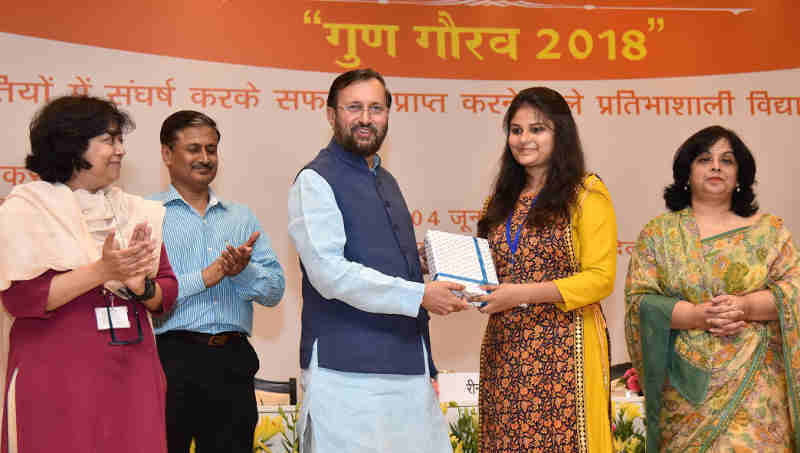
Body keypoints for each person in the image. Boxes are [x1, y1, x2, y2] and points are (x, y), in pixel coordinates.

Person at [288, 68, 470, 453]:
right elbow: (329, 274)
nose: (366, 118)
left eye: (376, 108)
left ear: (388, 114)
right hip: (346, 373)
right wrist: (419, 295)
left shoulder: (386, 180)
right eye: (354, 107)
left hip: (408, 367)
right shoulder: (315, 180)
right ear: (331, 114)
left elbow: (371, 258)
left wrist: (414, 262)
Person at [0, 95, 178, 452]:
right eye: (109, 140)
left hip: (133, 374)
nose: (120, 150)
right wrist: (102, 271)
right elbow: (20, 299)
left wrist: (138, 285)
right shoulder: (26, 210)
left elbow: (165, 293)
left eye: (120, 140)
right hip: (57, 378)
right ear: (73, 145)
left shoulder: (134, 211)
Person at [624, 125, 800, 452]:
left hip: (756, 384)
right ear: (687, 172)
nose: (716, 167)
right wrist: (695, 315)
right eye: (705, 159)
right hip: (685, 388)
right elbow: (640, 304)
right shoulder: (659, 234)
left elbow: (795, 292)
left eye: (727, 160)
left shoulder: (770, 231)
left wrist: (745, 307)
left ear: (740, 176)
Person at [473, 87, 617, 452]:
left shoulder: (586, 194)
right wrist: (443, 264)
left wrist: (520, 294)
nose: (524, 140)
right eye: (516, 130)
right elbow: (493, 268)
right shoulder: (500, 201)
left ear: (560, 134)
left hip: (566, 350)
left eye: (537, 129)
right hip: (506, 349)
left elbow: (600, 279)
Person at [149, 111, 286, 453]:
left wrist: (243, 271)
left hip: (232, 362)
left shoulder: (242, 217)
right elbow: (142, 294)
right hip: (169, 361)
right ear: (167, 154)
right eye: (193, 149)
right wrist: (208, 277)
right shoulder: (148, 215)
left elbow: (274, 291)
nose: (205, 158)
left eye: (211, 149)